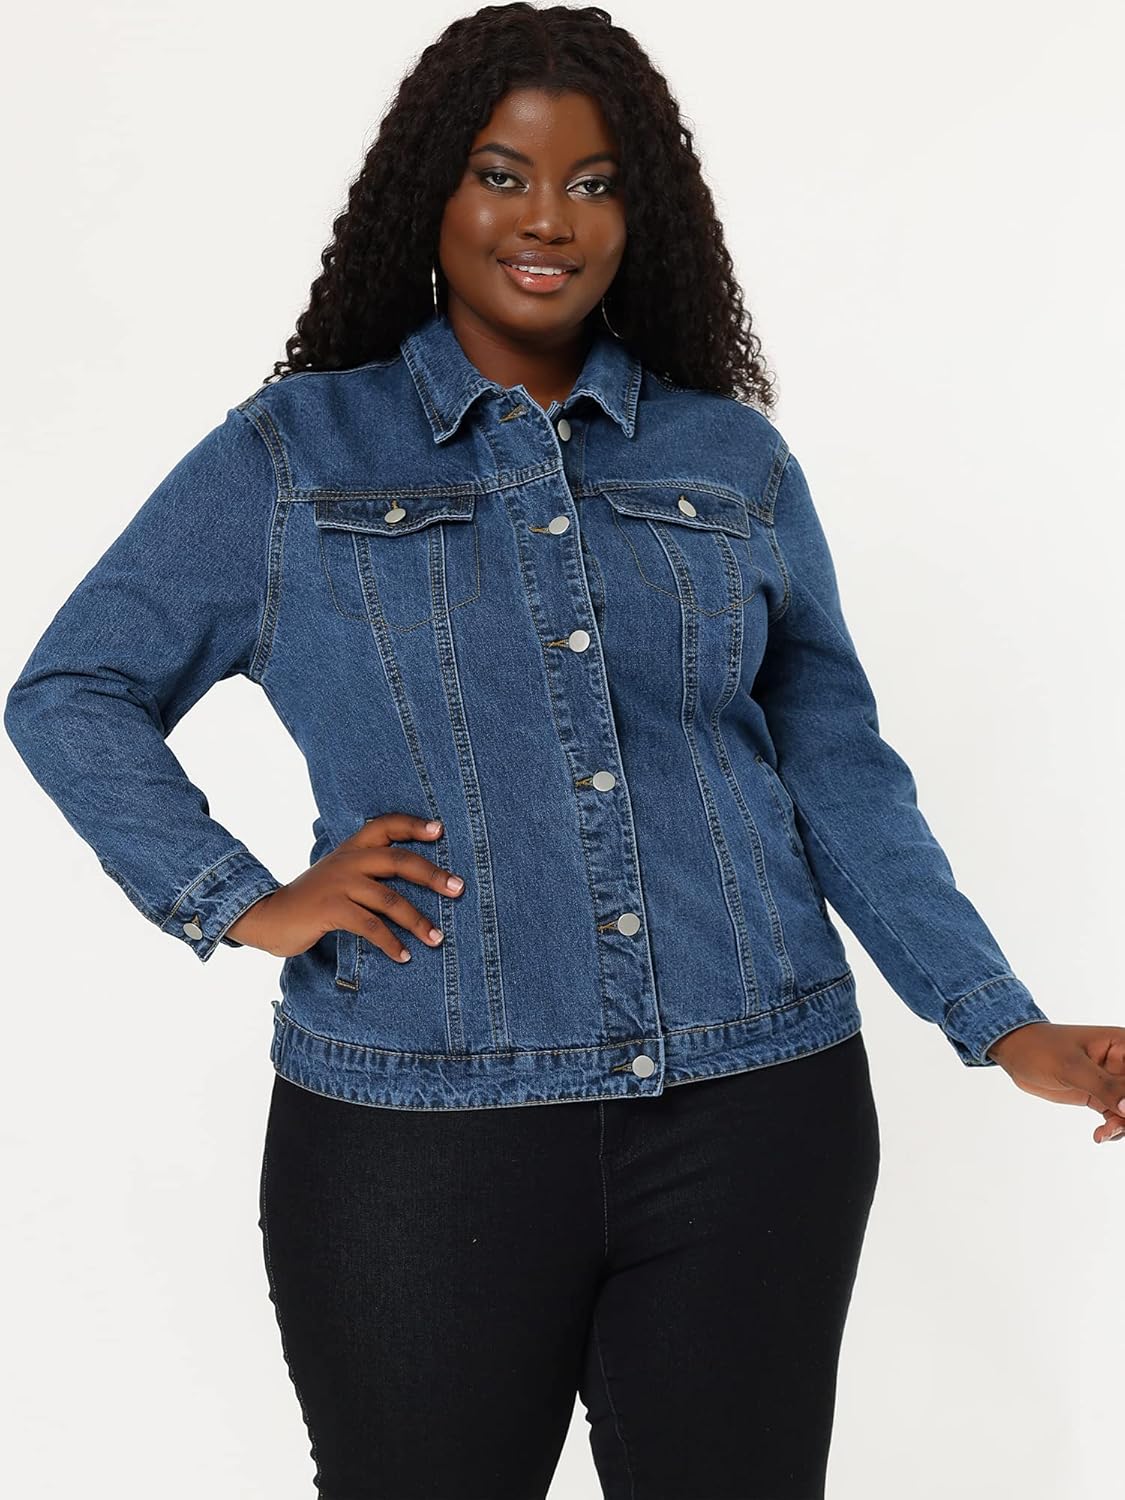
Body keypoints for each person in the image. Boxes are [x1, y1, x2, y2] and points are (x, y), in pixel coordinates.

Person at [6, 4, 1125, 1497]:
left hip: (757, 1101)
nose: (548, 218)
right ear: (433, 195)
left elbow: (837, 770)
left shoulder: (729, 459)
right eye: (503, 174)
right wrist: (239, 897)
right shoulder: (295, 455)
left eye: (594, 184)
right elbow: (73, 687)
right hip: (417, 1131)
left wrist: (998, 1022)